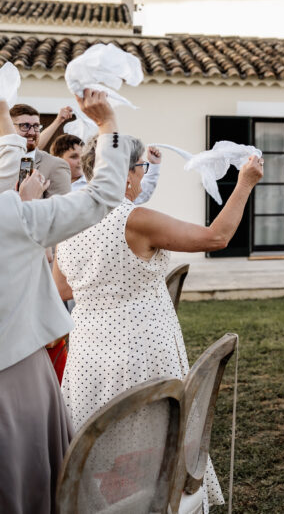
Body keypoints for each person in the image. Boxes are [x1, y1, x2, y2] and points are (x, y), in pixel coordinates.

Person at [54, 135, 263, 511]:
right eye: (141, 168)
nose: (142, 175)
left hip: (86, 350)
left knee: (96, 439)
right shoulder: (134, 218)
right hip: (142, 344)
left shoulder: (68, 218)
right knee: (150, 435)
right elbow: (216, 237)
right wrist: (245, 182)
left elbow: (61, 286)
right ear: (128, 175)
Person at [0, 90, 127, 514]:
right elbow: (101, 198)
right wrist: (107, 126)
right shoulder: (14, 216)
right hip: (16, 375)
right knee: (27, 477)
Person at [6, 104, 71, 196]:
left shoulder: (55, 166)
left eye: (36, 126)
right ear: (9, 127)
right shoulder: (4, 160)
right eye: (25, 126)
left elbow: (61, 209)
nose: (32, 132)